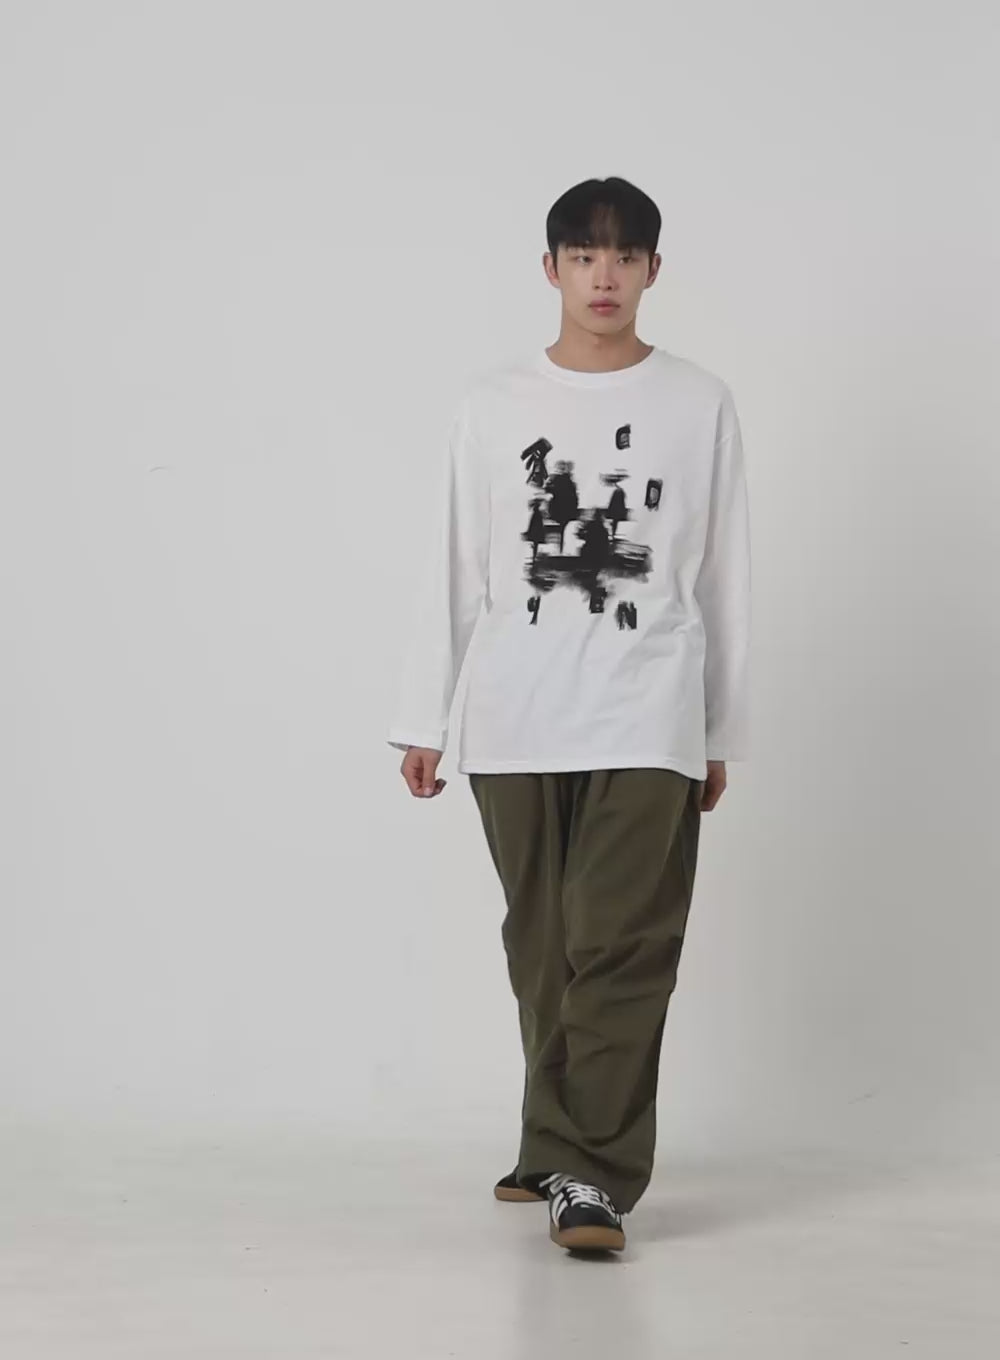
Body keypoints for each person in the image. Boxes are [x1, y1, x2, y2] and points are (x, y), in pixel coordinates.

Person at [387, 176, 751, 1255]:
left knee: (623, 943)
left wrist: (717, 731)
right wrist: (425, 715)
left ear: (652, 271)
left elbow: (724, 576)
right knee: (543, 945)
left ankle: (590, 1177)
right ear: (549, 268)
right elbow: (456, 562)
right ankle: (549, 1140)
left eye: (625, 255)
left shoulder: (699, 402)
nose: (605, 275)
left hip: (648, 709)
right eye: (585, 255)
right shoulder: (493, 403)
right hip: (515, 712)